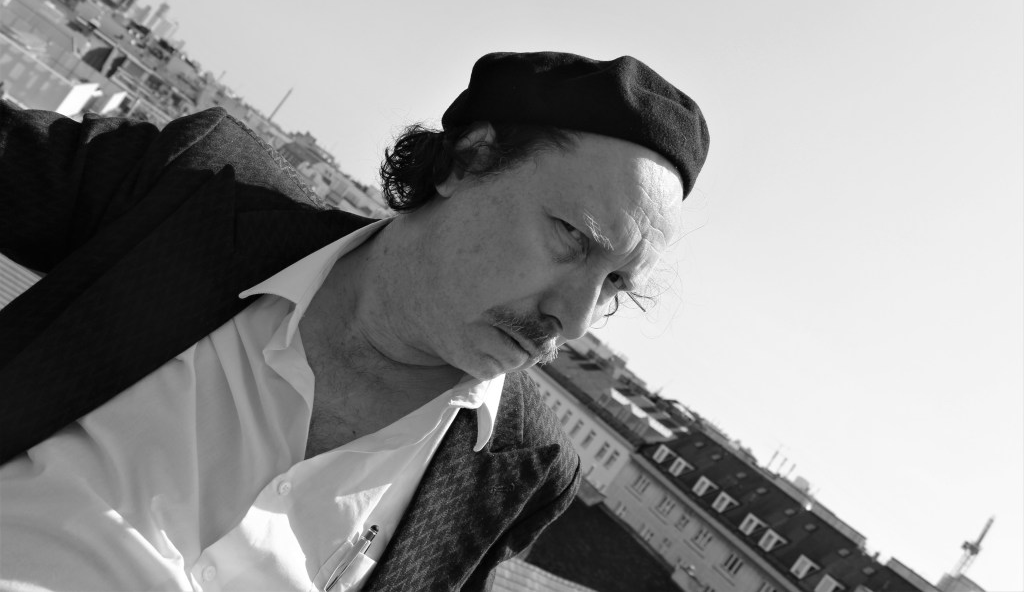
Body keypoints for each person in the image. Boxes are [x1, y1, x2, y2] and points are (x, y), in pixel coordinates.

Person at [0, 51, 710, 591]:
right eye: (572, 238)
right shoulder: (196, 194)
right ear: (468, 160)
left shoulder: (523, 470)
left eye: (616, 284)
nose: (574, 320)